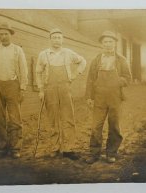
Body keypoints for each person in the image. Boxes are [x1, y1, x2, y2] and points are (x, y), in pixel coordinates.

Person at [36, 28, 86, 160]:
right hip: (49, 89)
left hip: (65, 88)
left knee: (68, 118)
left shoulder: (68, 53)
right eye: (54, 37)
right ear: (50, 39)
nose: (57, 40)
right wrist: (41, 90)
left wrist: (76, 74)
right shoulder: (44, 54)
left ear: (62, 39)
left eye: (59, 37)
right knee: (53, 119)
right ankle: (55, 148)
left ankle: (68, 149)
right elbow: (38, 72)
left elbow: (83, 61)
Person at [85, 31, 131, 163]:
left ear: (115, 44)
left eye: (110, 42)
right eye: (105, 42)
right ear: (101, 44)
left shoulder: (121, 60)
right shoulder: (96, 60)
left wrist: (117, 81)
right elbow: (90, 79)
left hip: (115, 97)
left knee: (114, 126)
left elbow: (128, 78)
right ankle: (94, 154)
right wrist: (89, 97)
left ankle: (111, 153)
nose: (108, 44)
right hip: (99, 97)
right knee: (95, 126)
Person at [0, 22, 28, 159]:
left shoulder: (17, 50)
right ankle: (2, 146)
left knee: (15, 118)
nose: (3, 36)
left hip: (13, 85)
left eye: (6, 34)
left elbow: (24, 70)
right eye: (1, 34)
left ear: (10, 35)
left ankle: (15, 147)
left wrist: (22, 87)